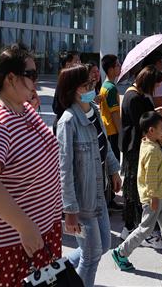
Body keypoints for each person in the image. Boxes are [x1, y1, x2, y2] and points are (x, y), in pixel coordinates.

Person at [0, 44, 61, 287]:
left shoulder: (22, 107)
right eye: (32, 76)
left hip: (34, 235)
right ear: (11, 78)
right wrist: (24, 226)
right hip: (7, 243)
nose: (36, 82)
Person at [56, 65, 122, 287]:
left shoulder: (93, 110)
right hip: (81, 202)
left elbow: (105, 145)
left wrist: (113, 169)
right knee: (91, 255)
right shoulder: (67, 121)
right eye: (87, 85)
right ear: (74, 89)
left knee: (103, 245)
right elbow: (64, 169)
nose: (92, 88)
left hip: (99, 194)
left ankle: (57, 269)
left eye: (92, 84)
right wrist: (70, 211)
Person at [112, 111, 162, 272]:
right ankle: (121, 252)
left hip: (160, 196)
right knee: (145, 228)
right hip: (153, 198)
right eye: (161, 127)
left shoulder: (150, 143)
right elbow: (150, 178)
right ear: (151, 130)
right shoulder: (151, 151)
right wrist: (153, 197)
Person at [120, 65, 162, 245]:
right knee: (139, 190)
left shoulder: (134, 95)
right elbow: (142, 124)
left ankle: (130, 226)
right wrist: (157, 116)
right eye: (154, 85)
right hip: (135, 148)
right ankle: (143, 231)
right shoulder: (134, 97)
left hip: (134, 147)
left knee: (133, 188)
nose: (155, 89)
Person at [99, 54, 123, 211]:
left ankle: (109, 199)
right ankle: (109, 200)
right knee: (112, 168)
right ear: (111, 69)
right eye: (117, 65)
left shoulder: (104, 86)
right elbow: (115, 115)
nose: (120, 67)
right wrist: (122, 133)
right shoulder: (111, 89)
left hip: (106, 130)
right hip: (112, 132)